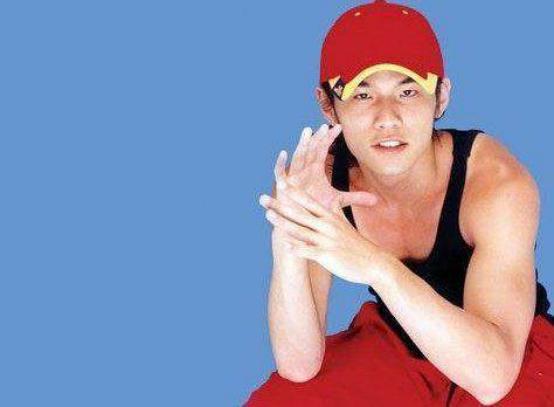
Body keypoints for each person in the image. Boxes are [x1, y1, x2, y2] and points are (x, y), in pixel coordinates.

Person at [246, 1, 554, 405]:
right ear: (328, 105)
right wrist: (289, 236)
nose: (387, 118)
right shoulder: (319, 180)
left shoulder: (496, 183)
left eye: (407, 92)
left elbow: (492, 377)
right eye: (362, 94)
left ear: (440, 97)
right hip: (399, 343)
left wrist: (374, 264)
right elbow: (298, 366)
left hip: (506, 350)